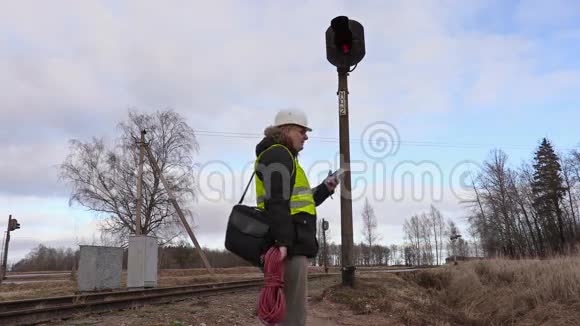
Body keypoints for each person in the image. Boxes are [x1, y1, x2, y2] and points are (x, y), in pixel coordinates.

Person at [255, 109, 338, 326]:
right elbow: (276, 199)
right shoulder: (278, 154)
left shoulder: (284, 157)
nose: (306, 136)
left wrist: (325, 188)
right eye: (302, 131)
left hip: (290, 242)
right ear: (286, 129)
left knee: (286, 311)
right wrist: (283, 242)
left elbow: (299, 201)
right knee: (292, 315)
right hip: (288, 246)